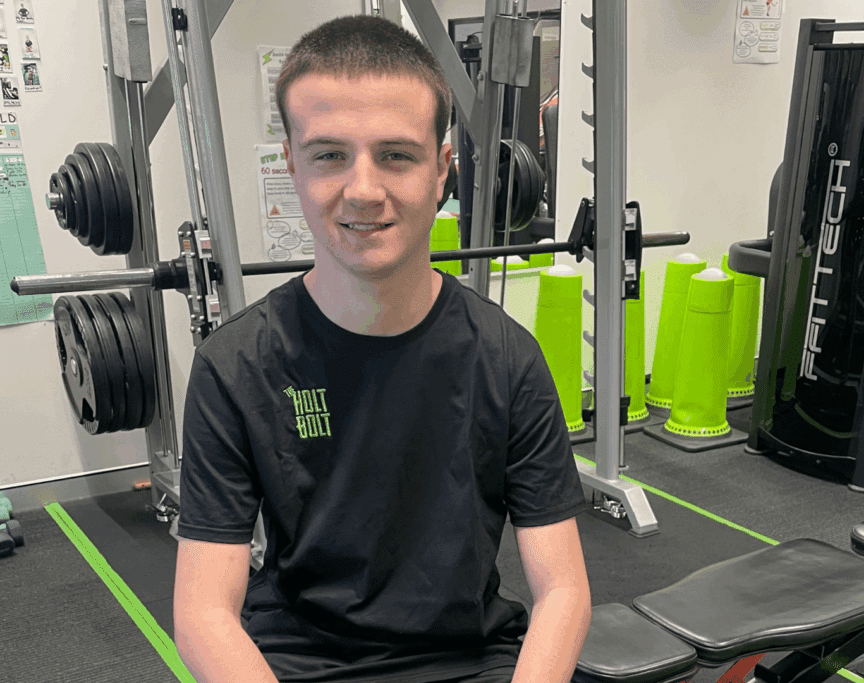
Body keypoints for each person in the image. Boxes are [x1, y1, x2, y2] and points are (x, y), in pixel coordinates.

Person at [173, 14, 592, 683]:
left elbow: (563, 590)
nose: (363, 191)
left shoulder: (507, 358)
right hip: (299, 664)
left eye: (396, 155)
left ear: (442, 170)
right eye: (329, 155)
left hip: (468, 661)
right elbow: (202, 612)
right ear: (293, 165)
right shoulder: (236, 365)